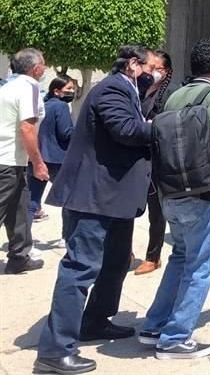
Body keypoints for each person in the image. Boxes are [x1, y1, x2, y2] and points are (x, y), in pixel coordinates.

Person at [36, 45, 153, 375]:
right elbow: (126, 130)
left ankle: (95, 321)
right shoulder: (112, 88)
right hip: (94, 196)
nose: (155, 74)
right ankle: (55, 351)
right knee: (80, 269)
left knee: (115, 263)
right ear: (133, 64)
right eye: (151, 68)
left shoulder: (129, 90)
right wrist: (167, 126)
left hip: (114, 196)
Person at [139, 39, 210, 360]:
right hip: (201, 192)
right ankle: (176, 338)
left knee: (179, 257)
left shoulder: (175, 95)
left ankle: (154, 326)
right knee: (200, 266)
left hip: (171, 190)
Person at [0, 48, 48, 275]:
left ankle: (19, 257)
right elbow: (27, 127)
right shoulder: (29, 87)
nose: (45, 69)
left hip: (12, 160)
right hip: (8, 160)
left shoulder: (8, 86)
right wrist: (38, 162)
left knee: (19, 208)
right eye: (44, 64)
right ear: (36, 68)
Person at [134, 50, 174, 276]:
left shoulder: (169, 92)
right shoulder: (140, 89)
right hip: (138, 154)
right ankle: (125, 251)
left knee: (156, 210)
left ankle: (153, 256)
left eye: (156, 68)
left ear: (166, 71)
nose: (152, 72)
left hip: (158, 157)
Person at [31, 76, 75, 225]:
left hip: (38, 158)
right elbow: (65, 133)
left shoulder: (44, 105)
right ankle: (68, 234)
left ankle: (22, 237)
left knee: (32, 200)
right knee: (70, 197)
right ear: (56, 91)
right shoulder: (61, 106)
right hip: (57, 159)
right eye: (69, 88)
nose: (72, 91)